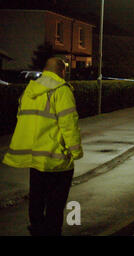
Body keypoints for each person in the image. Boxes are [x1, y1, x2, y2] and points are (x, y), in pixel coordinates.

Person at [2, 57, 83, 236]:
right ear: (62, 72)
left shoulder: (29, 91)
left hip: (35, 158)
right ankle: (52, 232)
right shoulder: (62, 91)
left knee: (37, 197)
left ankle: (37, 229)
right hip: (56, 159)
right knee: (56, 202)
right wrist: (76, 151)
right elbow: (69, 123)